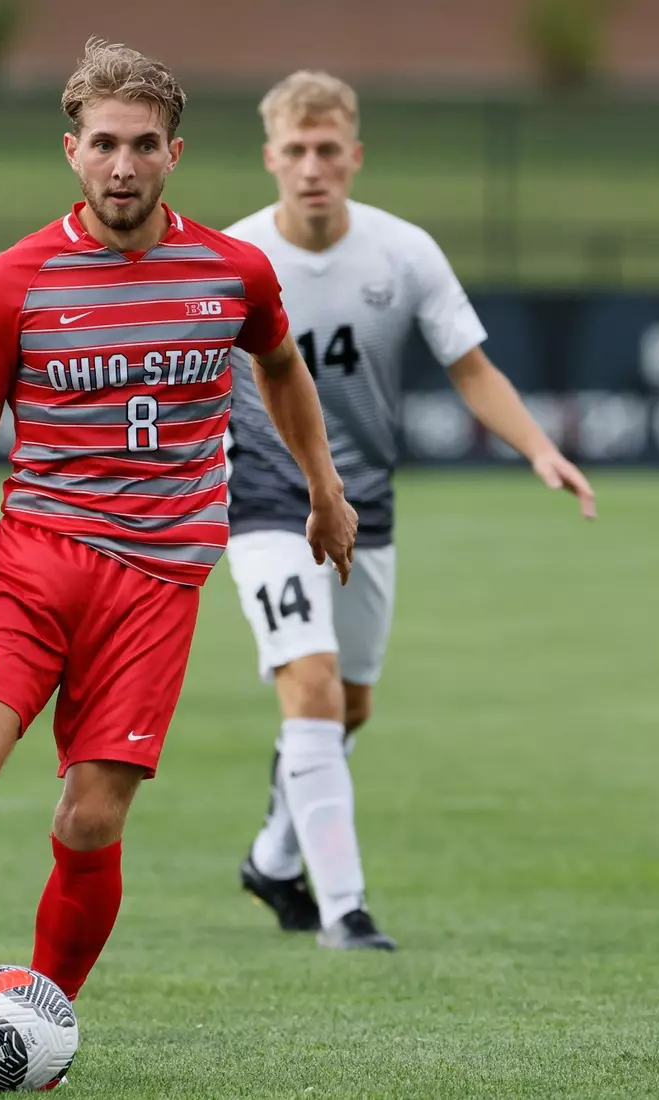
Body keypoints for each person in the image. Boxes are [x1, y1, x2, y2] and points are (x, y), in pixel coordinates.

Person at [0, 39, 357, 1008]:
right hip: (37, 558)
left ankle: (42, 1016)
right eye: (105, 144)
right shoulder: (15, 280)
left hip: (159, 585)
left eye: (144, 144)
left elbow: (282, 370)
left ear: (175, 153)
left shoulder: (234, 273)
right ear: (73, 150)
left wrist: (323, 489)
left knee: (88, 820)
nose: (123, 165)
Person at [223, 72, 597, 949]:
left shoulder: (405, 253)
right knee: (309, 687)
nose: (313, 168)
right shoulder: (236, 258)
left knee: (350, 708)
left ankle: (272, 860)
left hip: (368, 505)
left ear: (353, 156)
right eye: (296, 152)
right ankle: (344, 909)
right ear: (270, 158)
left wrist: (539, 449)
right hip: (269, 501)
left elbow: (471, 367)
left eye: (328, 151)